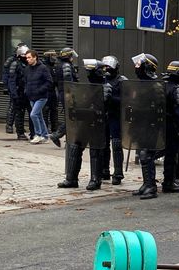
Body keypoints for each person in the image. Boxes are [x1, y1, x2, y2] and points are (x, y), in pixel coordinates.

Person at [57, 59, 112, 190]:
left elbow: (101, 104)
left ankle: (95, 179)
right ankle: (71, 179)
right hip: (84, 121)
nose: (89, 74)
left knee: (95, 150)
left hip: (98, 123)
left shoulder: (106, 87)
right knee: (75, 147)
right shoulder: (87, 87)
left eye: (91, 71)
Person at [131, 53, 161, 200]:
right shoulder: (142, 84)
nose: (137, 67)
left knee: (147, 155)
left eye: (139, 64)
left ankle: (151, 186)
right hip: (142, 124)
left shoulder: (155, 86)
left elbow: (156, 109)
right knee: (143, 155)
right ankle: (146, 183)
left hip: (151, 125)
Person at [161, 60, 179, 194]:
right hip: (174, 127)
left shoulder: (162, 86)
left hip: (162, 126)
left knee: (167, 155)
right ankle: (169, 182)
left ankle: (167, 181)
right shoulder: (177, 89)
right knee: (172, 156)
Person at [102, 55, 127, 185]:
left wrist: (111, 97)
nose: (107, 69)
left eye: (109, 66)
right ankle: (104, 170)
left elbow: (127, 100)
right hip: (104, 115)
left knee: (116, 145)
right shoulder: (102, 80)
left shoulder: (122, 81)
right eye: (105, 66)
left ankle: (118, 173)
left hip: (116, 116)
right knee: (103, 144)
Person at [49, 48, 78, 147]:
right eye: (71, 56)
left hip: (63, 93)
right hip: (68, 93)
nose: (72, 58)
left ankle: (67, 140)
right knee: (72, 117)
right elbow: (69, 83)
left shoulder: (59, 65)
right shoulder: (66, 66)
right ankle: (58, 135)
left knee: (71, 117)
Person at [24, 49, 53, 144]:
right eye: (26, 58)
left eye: (29, 57)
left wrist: (40, 90)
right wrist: (27, 91)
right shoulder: (27, 68)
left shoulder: (43, 68)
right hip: (31, 96)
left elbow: (49, 82)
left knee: (33, 114)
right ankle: (45, 135)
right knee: (39, 116)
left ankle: (38, 134)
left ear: (35, 57)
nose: (27, 59)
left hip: (41, 96)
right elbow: (26, 81)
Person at [8, 44, 34, 141]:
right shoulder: (15, 64)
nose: (26, 58)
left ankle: (33, 133)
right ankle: (20, 133)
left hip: (29, 93)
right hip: (19, 93)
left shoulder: (30, 65)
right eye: (24, 55)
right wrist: (14, 94)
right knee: (20, 114)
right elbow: (12, 80)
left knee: (32, 114)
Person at [2, 43, 26, 134]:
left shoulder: (24, 61)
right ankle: (9, 125)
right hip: (12, 86)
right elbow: (6, 74)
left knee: (20, 109)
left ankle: (19, 126)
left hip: (21, 87)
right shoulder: (11, 60)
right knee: (13, 107)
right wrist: (6, 86)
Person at [41, 50, 59, 134]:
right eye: (53, 57)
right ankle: (45, 128)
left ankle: (55, 128)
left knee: (54, 110)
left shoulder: (53, 67)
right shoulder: (44, 67)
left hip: (53, 91)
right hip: (46, 91)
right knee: (45, 110)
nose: (54, 59)